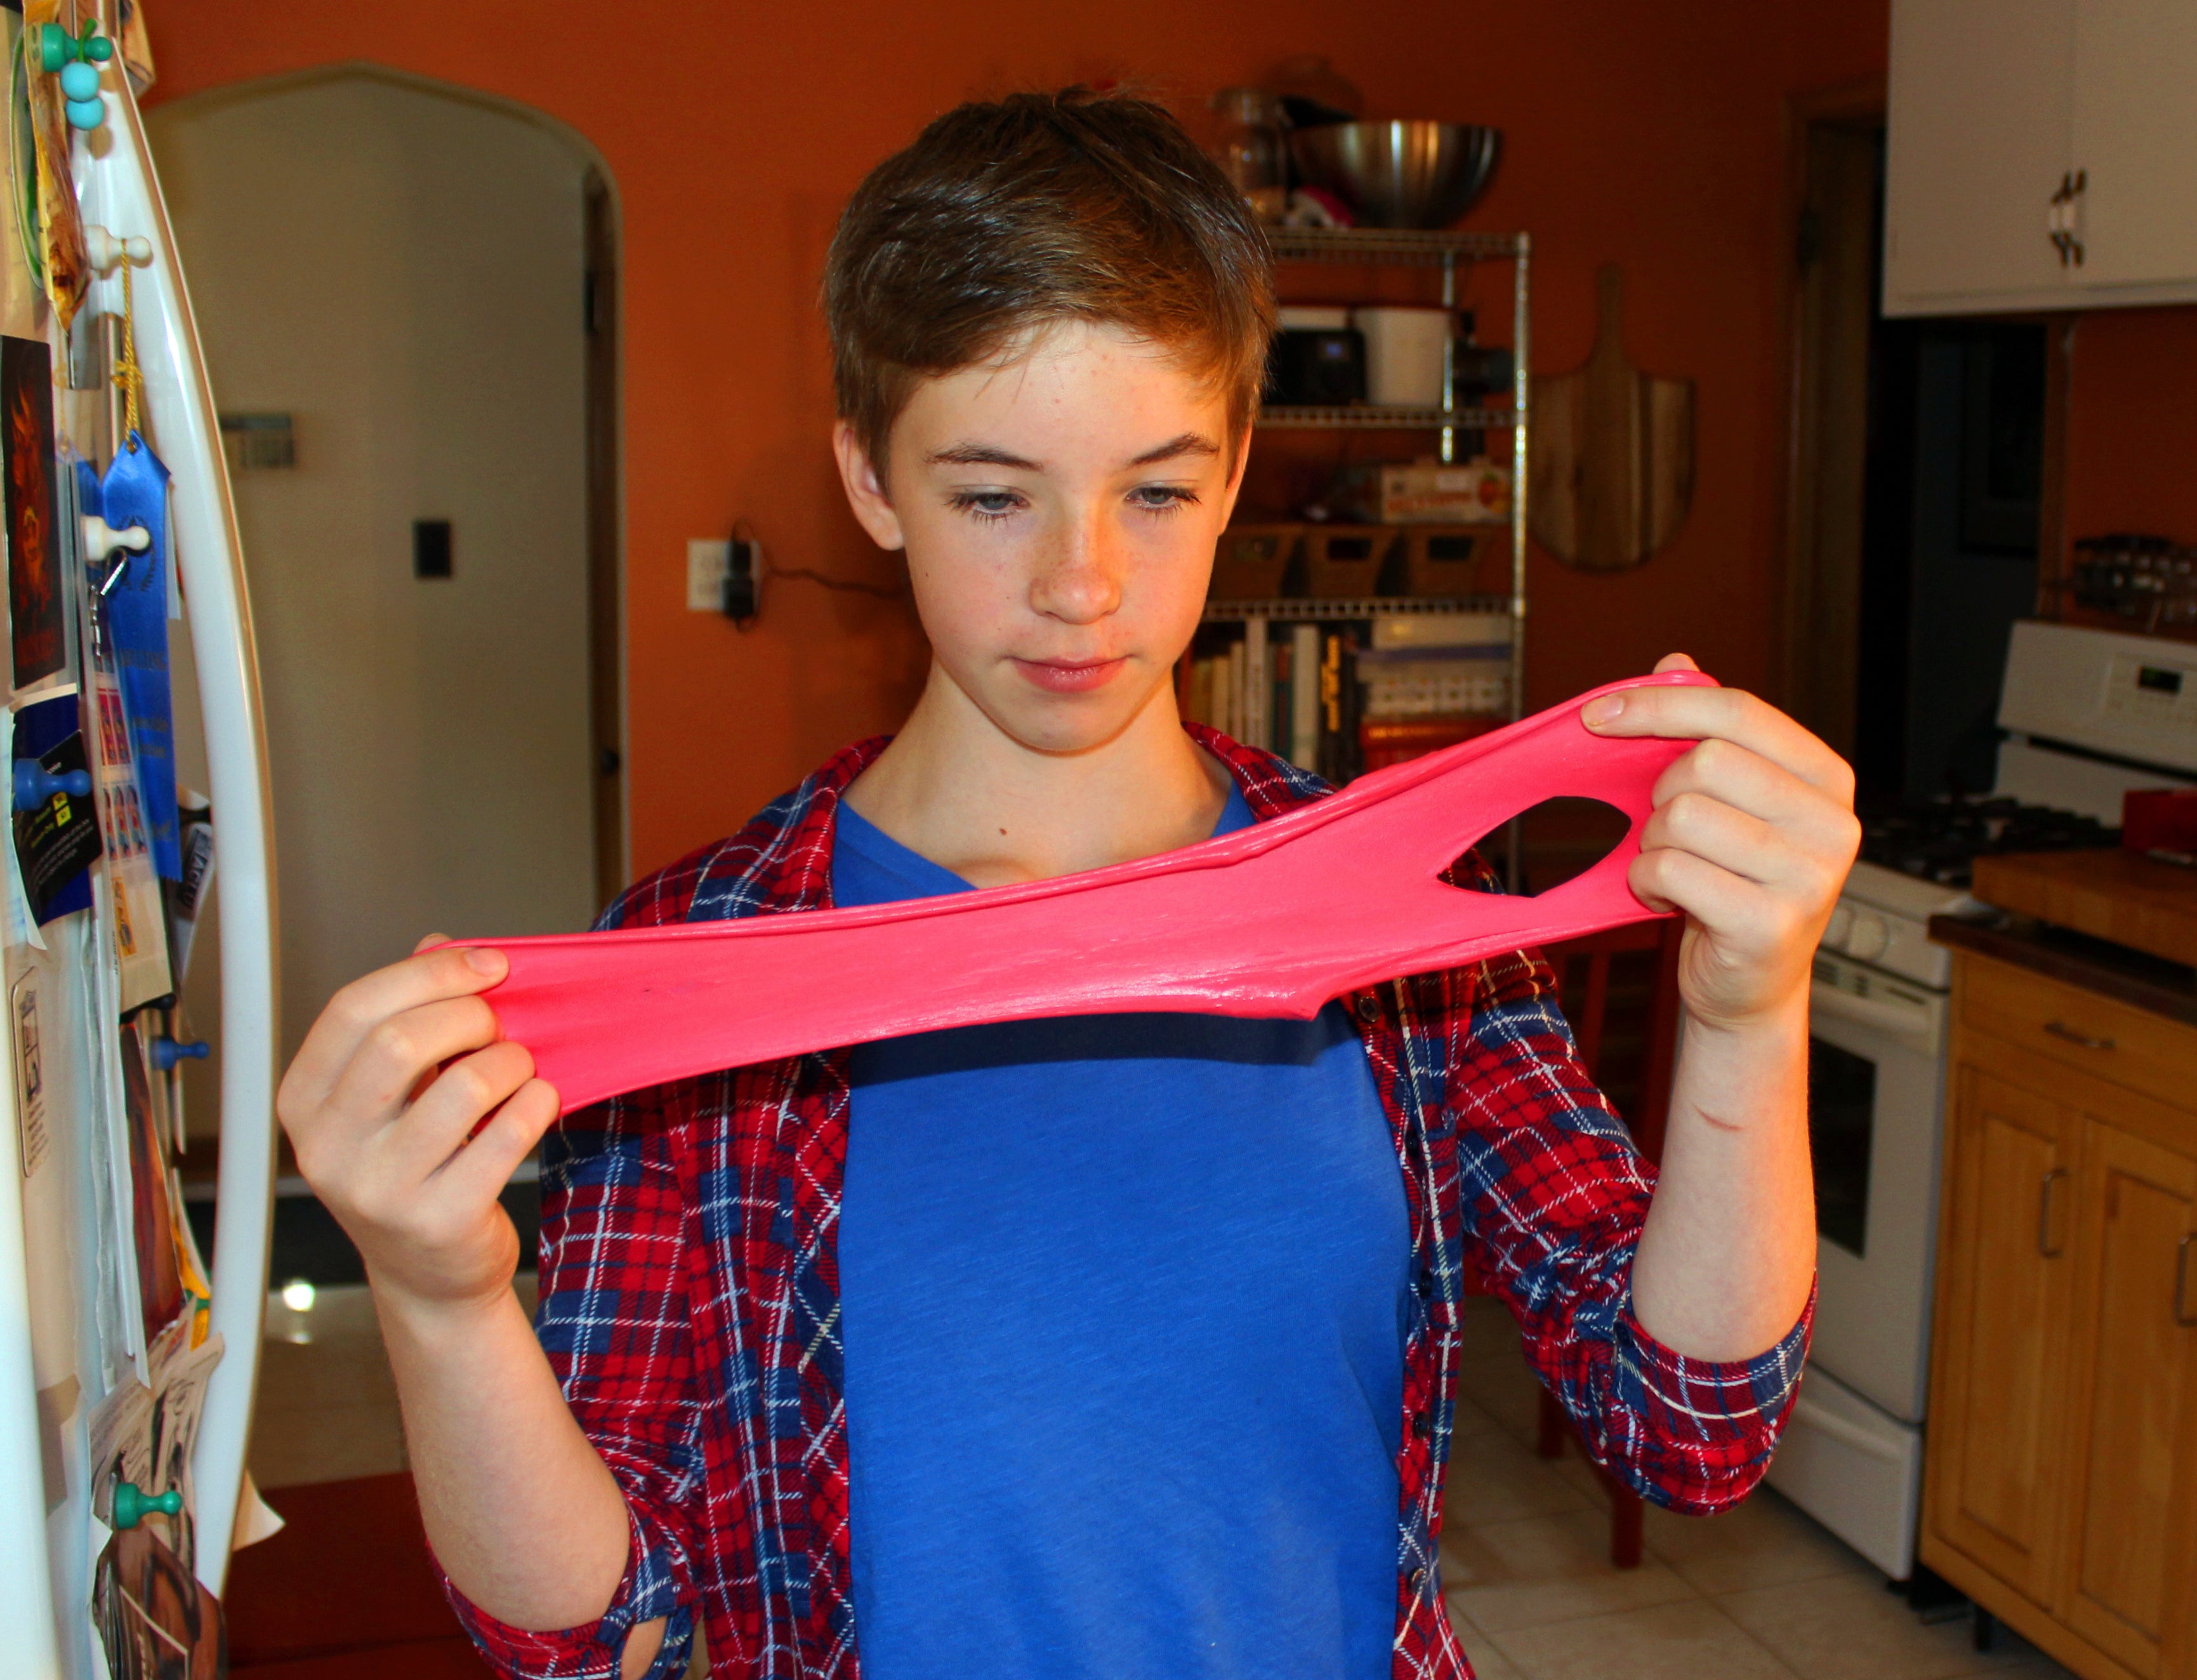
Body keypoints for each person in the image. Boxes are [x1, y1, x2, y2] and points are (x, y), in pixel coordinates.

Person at [276, 88, 1859, 1680]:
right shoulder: (706, 963)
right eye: (991, 494)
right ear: (871, 480)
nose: (1081, 583)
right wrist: (440, 1296)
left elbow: (1690, 1430)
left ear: (1238, 472)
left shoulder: (1400, 919)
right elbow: (593, 1633)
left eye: (1156, 490)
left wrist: (1748, 1007)